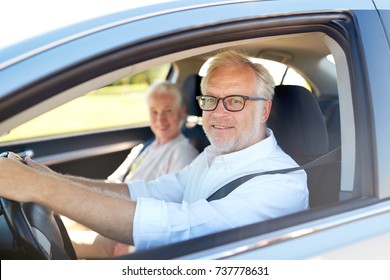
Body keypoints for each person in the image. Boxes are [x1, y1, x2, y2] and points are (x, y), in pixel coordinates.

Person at [0, 50, 308, 253]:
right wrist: (50, 177)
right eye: (210, 100)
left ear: (265, 109)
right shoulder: (213, 155)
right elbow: (146, 191)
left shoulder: (281, 185)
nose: (218, 113)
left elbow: (181, 227)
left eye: (236, 101)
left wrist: (41, 188)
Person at [66, 81, 199, 258]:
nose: (160, 119)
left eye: (168, 111)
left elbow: (173, 213)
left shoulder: (182, 152)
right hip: (105, 214)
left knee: (56, 239)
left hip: (126, 234)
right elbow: (113, 183)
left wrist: (131, 245)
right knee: (54, 220)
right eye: (154, 112)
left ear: (181, 112)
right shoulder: (144, 148)